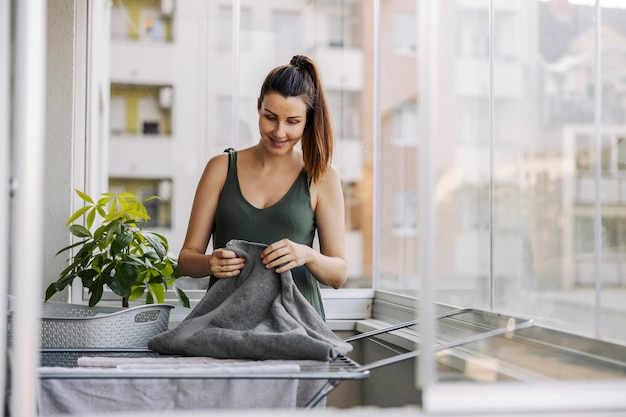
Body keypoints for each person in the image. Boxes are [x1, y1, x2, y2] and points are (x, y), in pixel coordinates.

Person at [177, 55, 347, 319]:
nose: (279, 132)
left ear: (308, 120)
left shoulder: (322, 177)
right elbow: (186, 259)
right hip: (225, 326)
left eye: (292, 122)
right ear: (258, 107)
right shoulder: (220, 168)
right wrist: (210, 263)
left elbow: (338, 275)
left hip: (298, 328)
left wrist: (307, 255)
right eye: (270, 117)